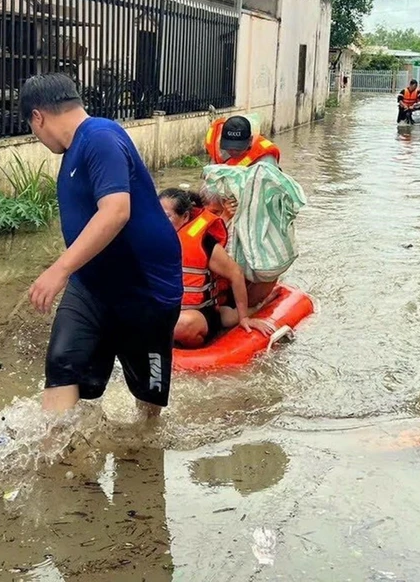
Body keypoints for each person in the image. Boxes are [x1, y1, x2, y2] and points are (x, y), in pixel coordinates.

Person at [22, 73, 182, 418]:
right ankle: (55, 458)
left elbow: (116, 211)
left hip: (144, 291)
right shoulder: (75, 149)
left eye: (32, 128)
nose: (37, 137)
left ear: (38, 116)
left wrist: (59, 269)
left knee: (148, 398)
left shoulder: (100, 137)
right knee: (62, 365)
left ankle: (143, 463)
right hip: (92, 284)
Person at [158, 188, 274, 348]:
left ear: (185, 217)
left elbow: (236, 273)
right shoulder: (151, 237)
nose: (159, 222)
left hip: (199, 313)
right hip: (166, 309)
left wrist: (244, 319)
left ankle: (253, 308)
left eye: (167, 217)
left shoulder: (204, 242)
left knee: (180, 324)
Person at [204, 115, 281, 167]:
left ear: (250, 140)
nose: (233, 152)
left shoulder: (265, 157)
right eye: (229, 148)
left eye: (238, 149)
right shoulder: (217, 148)